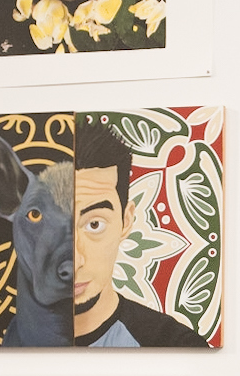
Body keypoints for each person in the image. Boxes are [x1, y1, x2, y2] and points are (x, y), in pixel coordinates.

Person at [71, 117, 211, 348]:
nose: (75, 261)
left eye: (94, 224)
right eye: (54, 227)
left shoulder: (174, 345)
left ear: (126, 221)